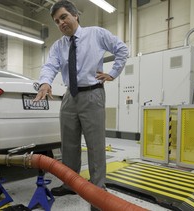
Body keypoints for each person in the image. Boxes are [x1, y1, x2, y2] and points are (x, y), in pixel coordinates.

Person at [33, 0, 128, 201]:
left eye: (64, 17)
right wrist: (45, 83)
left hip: (92, 94)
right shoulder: (59, 46)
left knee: (95, 143)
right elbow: (50, 66)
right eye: (57, 21)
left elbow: (122, 49)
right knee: (69, 143)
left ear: (75, 15)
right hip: (70, 96)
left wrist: (112, 73)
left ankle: (98, 187)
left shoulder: (96, 34)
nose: (61, 23)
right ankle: (70, 183)